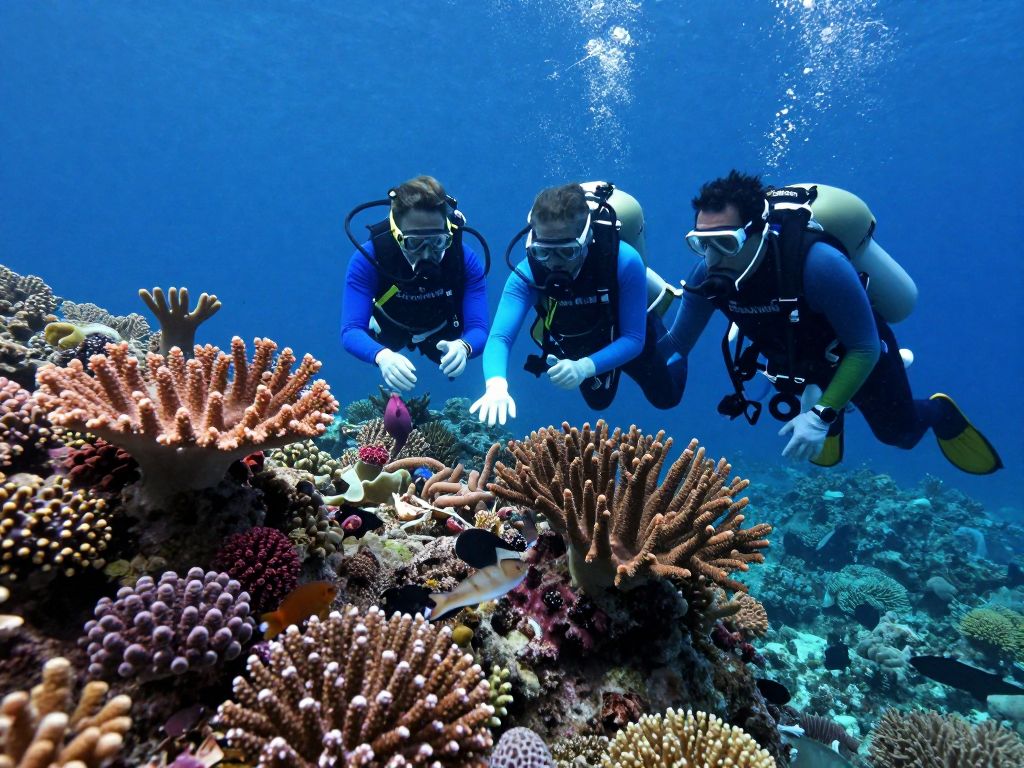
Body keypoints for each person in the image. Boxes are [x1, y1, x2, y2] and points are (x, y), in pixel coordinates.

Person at [660, 170, 1002, 474]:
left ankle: (939, 411)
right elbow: (676, 343)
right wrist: (624, 351)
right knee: (816, 398)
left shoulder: (819, 265)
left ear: (758, 233)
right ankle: (830, 405)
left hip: (858, 353)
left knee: (898, 434)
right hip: (799, 362)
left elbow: (864, 347)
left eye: (726, 243)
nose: (713, 257)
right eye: (701, 244)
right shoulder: (707, 272)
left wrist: (820, 417)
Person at [470, 182, 686, 426]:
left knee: (666, 397)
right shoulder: (527, 274)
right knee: (599, 402)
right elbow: (500, 338)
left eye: (567, 252)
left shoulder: (623, 261)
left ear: (587, 241)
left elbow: (634, 339)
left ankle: (662, 329)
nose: (554, 263)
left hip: (625, 328)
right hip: (582, 344)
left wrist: (584, 368)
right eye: (544, 252)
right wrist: (496, 385)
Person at [341, 175, 489, 392]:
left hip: (441, 330)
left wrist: (464, 346)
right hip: (388, 327)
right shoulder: (368, 259)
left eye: (438, 241)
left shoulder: (464, 259)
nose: (427, 254)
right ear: (397, 235)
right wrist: (381, 356)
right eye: (415, 243)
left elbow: (479, 328)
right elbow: (351, 330)